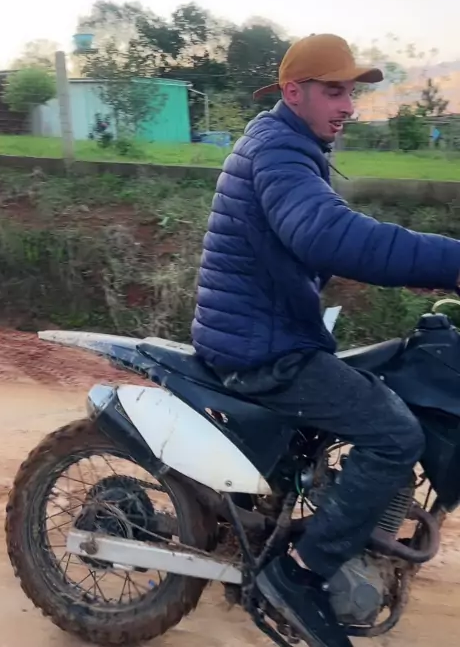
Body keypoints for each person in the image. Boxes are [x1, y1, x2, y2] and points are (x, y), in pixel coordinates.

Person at [191, 33, 460, 646]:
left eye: (351, 93)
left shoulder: (287, 143)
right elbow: (327, 234)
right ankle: (301, 573)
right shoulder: (279, 152)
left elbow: (310, 241)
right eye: (335, 92)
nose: (348, 107)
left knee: (392, 371)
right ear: (295, 92)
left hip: (265, 325)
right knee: (395, 434)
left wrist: (421, 273)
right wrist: (451, 261)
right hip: (263, 348)